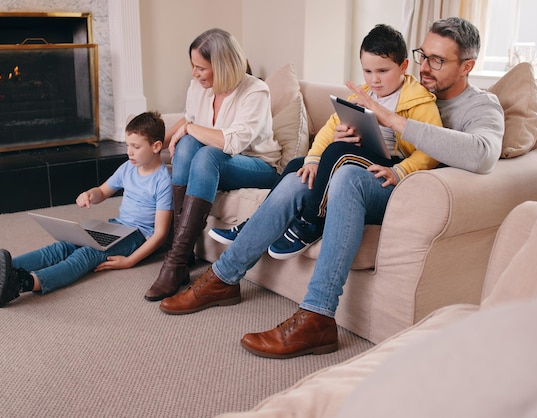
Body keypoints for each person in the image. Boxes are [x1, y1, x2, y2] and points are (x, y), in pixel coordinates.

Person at [159, 16, 504, 359]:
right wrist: (329, 148)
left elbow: (483, 155)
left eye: (438, 60)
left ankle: (318, 315)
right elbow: (342, 129)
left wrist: (392, 124)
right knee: (301, 175)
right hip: (369, 169)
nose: (424, 66)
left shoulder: (478, 105)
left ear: (467, 66)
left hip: (404, 188)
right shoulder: (391, 89)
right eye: (422, 55)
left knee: (347, 176)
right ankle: (223, 277)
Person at [210, 24, 443, 260]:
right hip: (359, 156)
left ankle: (312, 221)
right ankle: (255, 224)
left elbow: (431, 152)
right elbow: (327, 130)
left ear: (403, 66)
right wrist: (312, 160)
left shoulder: (419, 101)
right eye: (368, 72)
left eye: (383, 71)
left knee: (338, 150)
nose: (375, 80)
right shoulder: (362, 95)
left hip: (387, 167)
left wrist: (399, 170)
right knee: (296, 166)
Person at [0, 111, 173, 307]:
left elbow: (160, 233)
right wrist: (90, 194)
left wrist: (130, 261)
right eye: (127, 145)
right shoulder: (128, 168)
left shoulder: (163, 181)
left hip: (137, 236)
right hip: (116, 227)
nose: (129, 152)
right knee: (63, 246)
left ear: (155, 146)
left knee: (86, 255)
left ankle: (23, 282)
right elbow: (102, 191)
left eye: (136, 147)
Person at [145, 28, 282, 302]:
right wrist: (155, 148)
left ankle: (175, 260)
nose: (194, 74)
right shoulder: (199, 88)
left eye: (200, 68)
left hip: (259, 167)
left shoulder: (256, 90)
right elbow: (189, 120)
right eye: (193, 66)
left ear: (222, 66)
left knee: (206, 154)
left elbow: (231, 143)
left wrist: (191, 128)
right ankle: (180, 259)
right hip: (219, 162)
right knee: (186, 147)